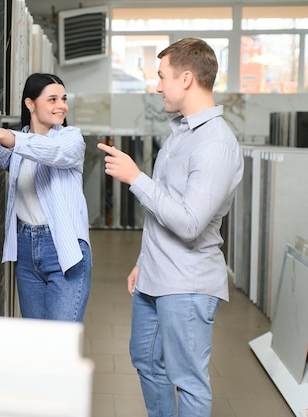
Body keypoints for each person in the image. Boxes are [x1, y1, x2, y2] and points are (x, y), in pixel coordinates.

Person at [97, 38, 244, 416]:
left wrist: (135, 178)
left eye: (162, 77)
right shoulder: (182, 133)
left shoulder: (216, 143)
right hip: (156, 275)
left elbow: (191, 222)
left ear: (187, 78)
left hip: (188, 284)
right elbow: (167, 205)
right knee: (146, 360)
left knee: (188, 380)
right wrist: (144, 260)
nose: (157, 86)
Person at [0, 73, 92, 323]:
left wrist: (2, 134)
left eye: (63, 99)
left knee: (60, 341)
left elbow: (50, 152)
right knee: (37, 341)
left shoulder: (70, 139)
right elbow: (3, 158)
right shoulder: (19, 141)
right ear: (30, 104)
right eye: (52, 99)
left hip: (63, 249)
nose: (61, 106)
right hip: (25, 250)